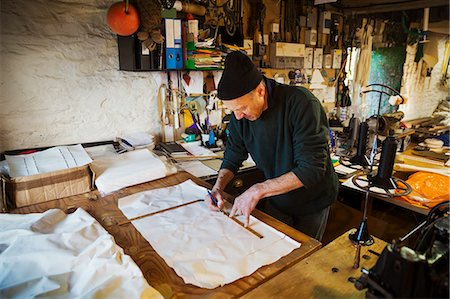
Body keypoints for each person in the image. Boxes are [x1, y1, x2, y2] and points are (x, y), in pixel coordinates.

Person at [206, 51, 339, 241]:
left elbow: (311, 169)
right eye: (232, 110)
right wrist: (218, 187)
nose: (238, 116)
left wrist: (257, 190)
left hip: (312, 202)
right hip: (277, 198)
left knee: (302, 261)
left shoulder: (302, 104)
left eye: (242, 108)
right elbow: (234, 154)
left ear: (260, 91)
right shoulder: (240, 114)